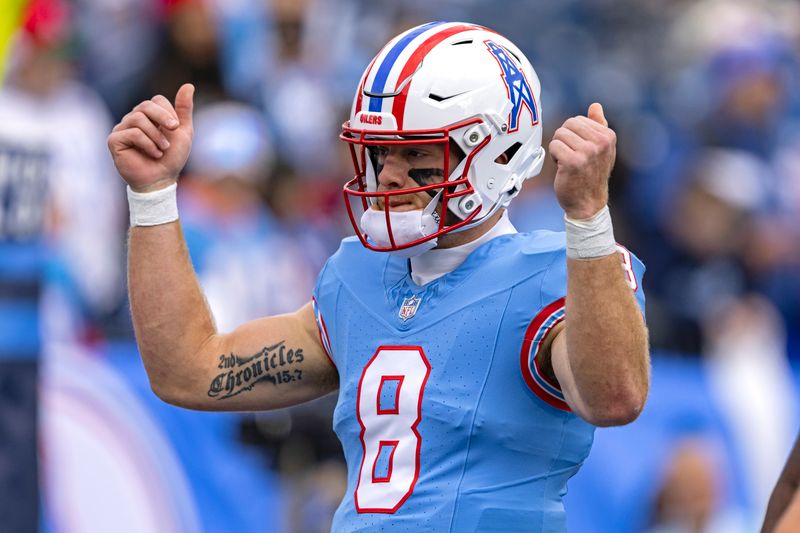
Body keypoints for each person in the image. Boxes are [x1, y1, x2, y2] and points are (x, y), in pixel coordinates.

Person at [108, 21, 649, 531]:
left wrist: (588, 220)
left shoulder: (559, 271)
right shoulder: (356, 278)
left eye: (417, 154)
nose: (389, 176)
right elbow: (189, 370)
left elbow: (614, 399)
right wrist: (153, 195)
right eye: (379, 153)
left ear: (499, 153)